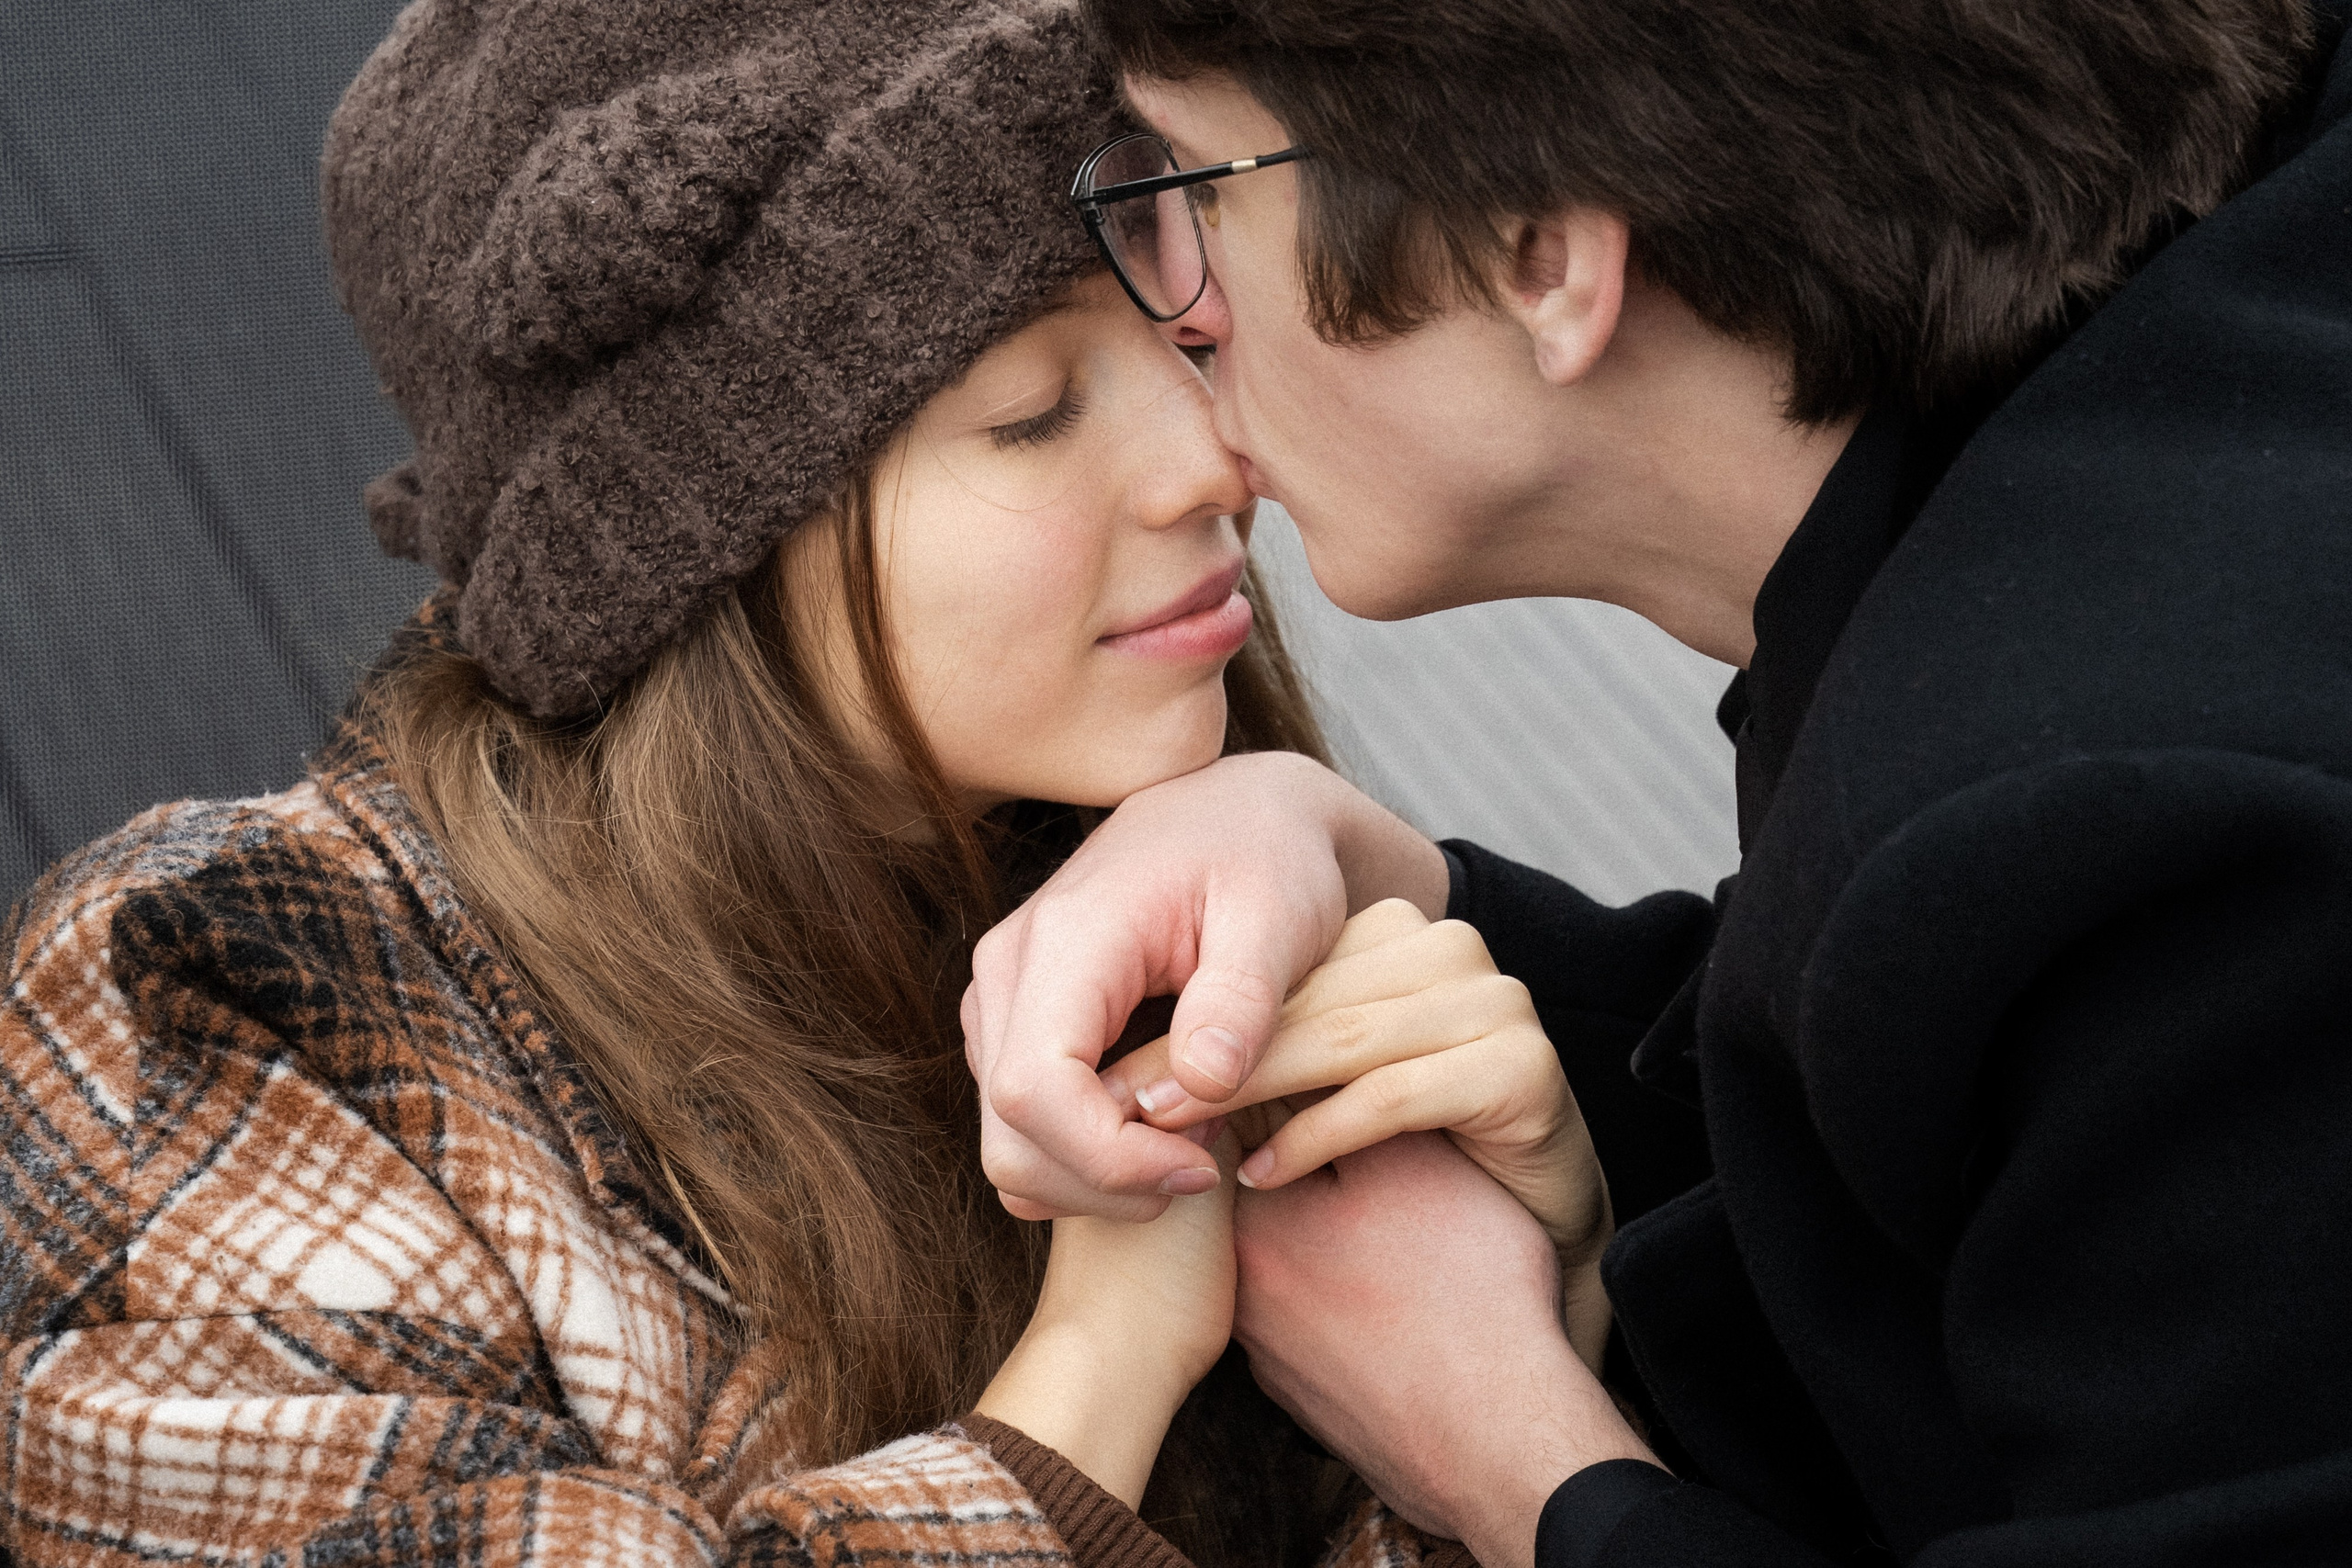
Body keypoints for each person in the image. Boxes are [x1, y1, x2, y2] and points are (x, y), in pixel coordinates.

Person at [0, 2, 1596, 1563]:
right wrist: (1100, 1370)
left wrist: (1542, 1329)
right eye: (1033, 415)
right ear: (700, 547)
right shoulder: (229, 1008)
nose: (1214, 463)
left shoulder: (1218, 927)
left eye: (1187, 337)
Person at [963, 2, 2352, 1565]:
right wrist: (1389, 876)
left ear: (1544, 252)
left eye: (1194, 191)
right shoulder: (2198, 410)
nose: (1180, 313)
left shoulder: (2158, 845)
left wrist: (1519, 1464)